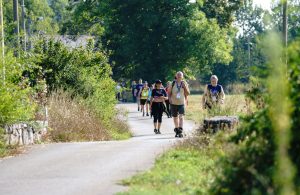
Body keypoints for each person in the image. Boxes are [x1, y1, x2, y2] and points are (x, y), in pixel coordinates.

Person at [168, 71, 190, 137]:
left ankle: (180, 129)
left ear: (182, 76)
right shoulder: (173, 83)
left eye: (180, 75)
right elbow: (169, 93)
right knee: (175, 117)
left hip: (181, 103)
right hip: (173, 103)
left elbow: (188, 93)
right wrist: (169, 99)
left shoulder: (184, 83)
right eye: (178, 75)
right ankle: (177, 129)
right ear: (176, 76)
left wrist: (184, 87)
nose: (179, 76)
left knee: (181, 116)